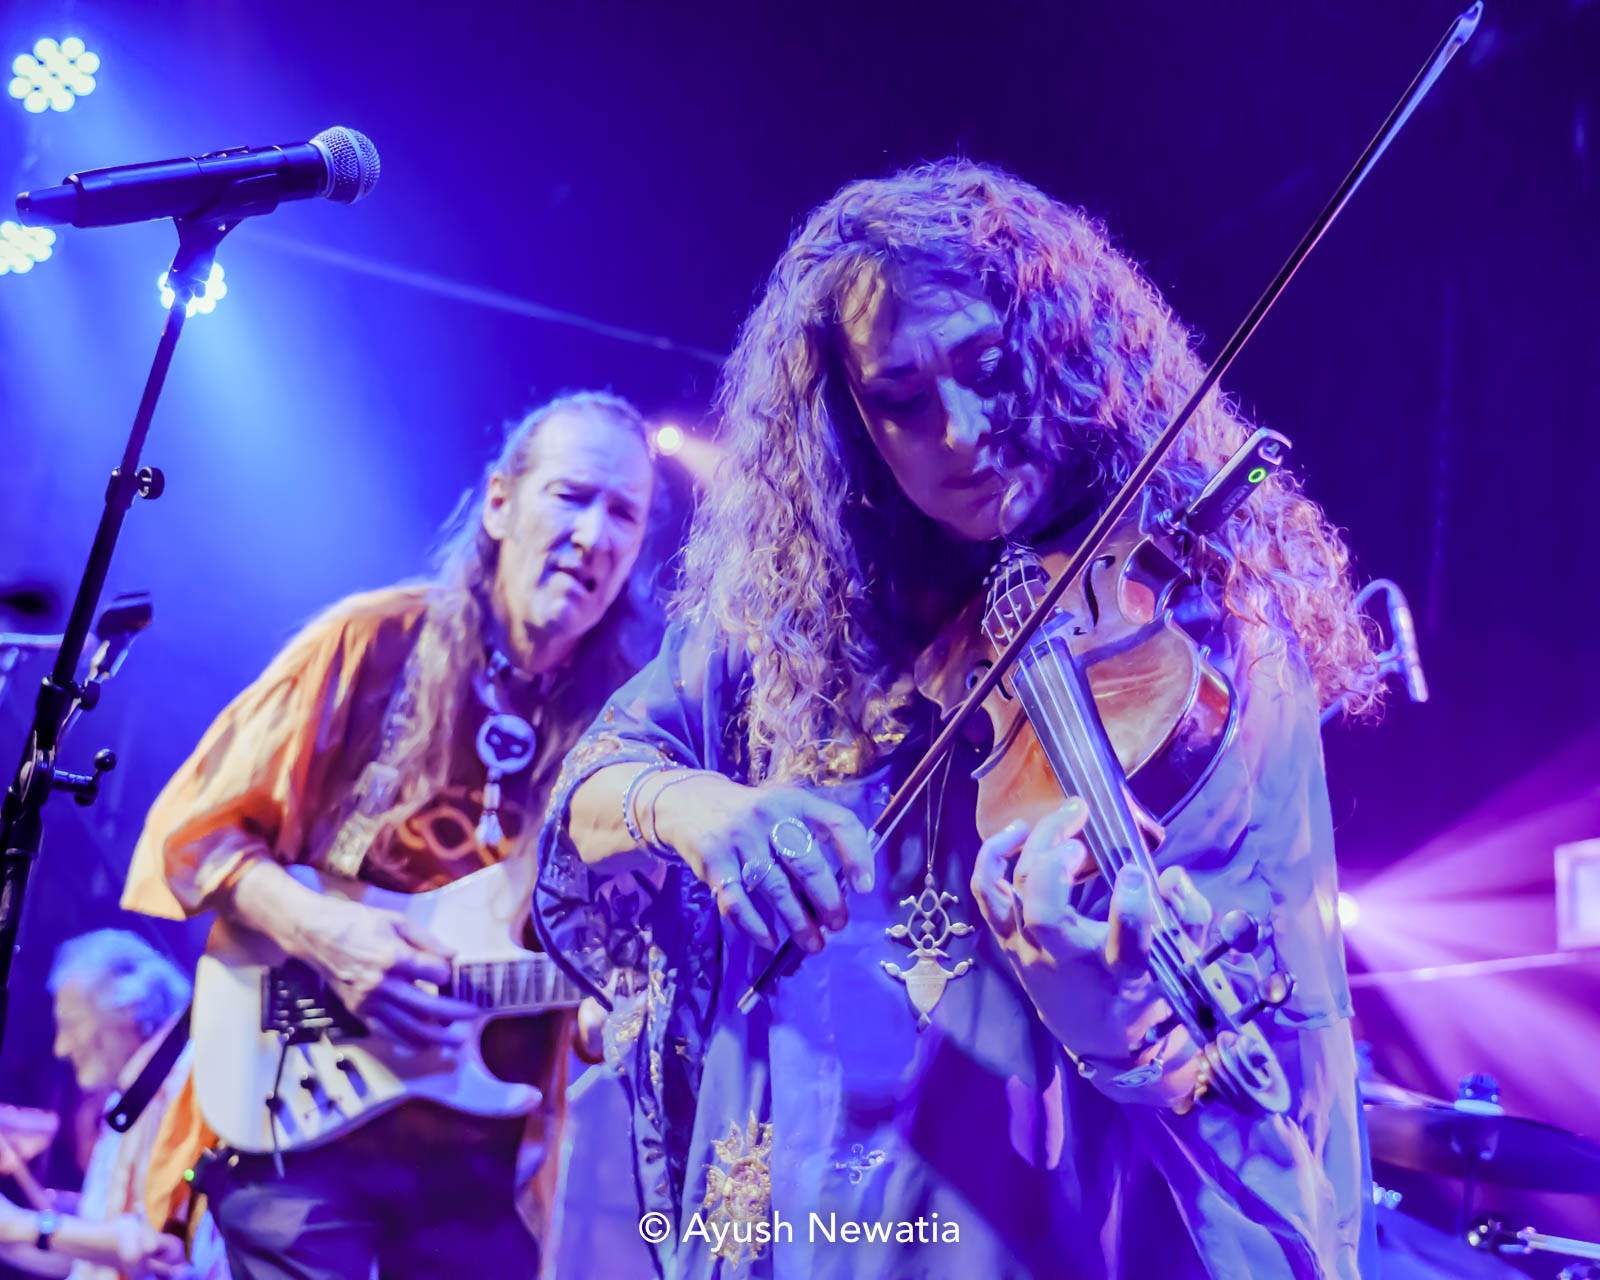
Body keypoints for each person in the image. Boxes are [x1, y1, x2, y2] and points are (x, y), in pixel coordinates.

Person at [536, 160, 1383, 1278]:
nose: (964, 431)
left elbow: (1257, 1032)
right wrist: (697, 808)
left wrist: (1120, 1022)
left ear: (1063, 344)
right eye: (902, 401)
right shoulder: (800, 611)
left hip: (1039, 1212)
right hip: (817, 1196)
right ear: (851, 419)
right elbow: (596, 782)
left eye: (991, 368)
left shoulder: (1210, 623)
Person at [121, 390, 666, 1280]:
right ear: (500, 503)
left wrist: (616, 1009)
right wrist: (327, 934)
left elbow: (606, 980)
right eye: (572, 496)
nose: (595, 534)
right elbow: (194, 833)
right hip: (296, 1121)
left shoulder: (632, 722)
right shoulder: (370, 643)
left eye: (625, 514)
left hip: (479, 1167)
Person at [0, 930, 201, 1279]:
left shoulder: (183, 1087)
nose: (61, 1048)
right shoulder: (127, 1099)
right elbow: (87, 1264)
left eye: (71, 1025)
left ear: (128, 1006)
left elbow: (157, 1251)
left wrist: (22, 1225)